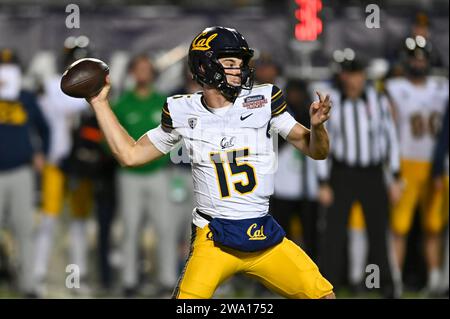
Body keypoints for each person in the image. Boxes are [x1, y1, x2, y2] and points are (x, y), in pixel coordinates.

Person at [85, 26, 334, 299]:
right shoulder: (182, 111)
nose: (238, 70)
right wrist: (100, 103)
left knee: (324, 296)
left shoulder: (263, 100)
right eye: (229, 63)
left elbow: (316, 150)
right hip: (214, 239)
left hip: (263, 236)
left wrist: (318, 127)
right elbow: (129, 155)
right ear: (205, 66)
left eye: (240, 63)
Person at [317, 55, 402, 298]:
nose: (351, 79)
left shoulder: (378, 100)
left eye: (355, 74)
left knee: (378, 230)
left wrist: (395, 176)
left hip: (372, 174)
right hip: (342, 173)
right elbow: (323, 144)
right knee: (334, 233)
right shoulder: (334, 102)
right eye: (347, 74)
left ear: (363, 76)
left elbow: (390, 139)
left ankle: (386, 284)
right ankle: (327, 286)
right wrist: (323, 182)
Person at [386, 36, 449, 296]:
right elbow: (388, 127)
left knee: (434, 226)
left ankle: (435, 280)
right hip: (406, 164)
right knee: (399, 227)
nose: (418, 62)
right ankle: (395, 280)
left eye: (422, 57)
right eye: (414, 57)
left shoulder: (442, 87)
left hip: (436, 166)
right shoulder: (394, 87)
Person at [112, 54, 176, 296]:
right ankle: (129, 280)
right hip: (129, 176)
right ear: (131, 72)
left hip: (159, 174)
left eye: (146, 69)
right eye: (138, 68)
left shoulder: (163, 103)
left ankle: (168, 279)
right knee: (130, 227)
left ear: (152, 73)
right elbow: (110, 140)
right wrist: (122, 156)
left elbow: (176, 139)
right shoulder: (122, 104)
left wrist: (163, 160)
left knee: (165, 228)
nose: (142, 73)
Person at [0, 48, 50, 297]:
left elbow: (44, 127)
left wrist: (43, 152)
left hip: (21, 171)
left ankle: (29, 284)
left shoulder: (26, 97)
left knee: (24, 230)